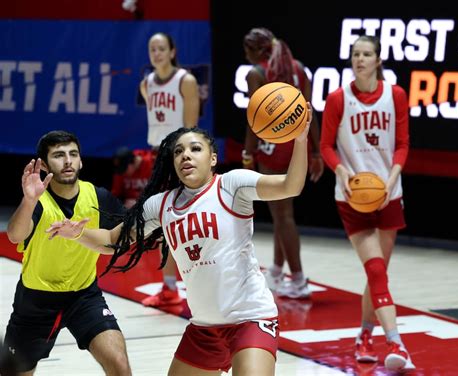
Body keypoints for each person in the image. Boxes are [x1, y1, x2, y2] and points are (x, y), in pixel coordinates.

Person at [45, 117, 311, 375]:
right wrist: (77, 234)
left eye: (196, 149)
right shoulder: (161, 205)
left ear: (213, 159)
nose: (186, 155)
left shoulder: (232, 185)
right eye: (179, 152)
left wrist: (300, 140)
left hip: (251, 318)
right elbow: (114, 241)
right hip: (204, 329)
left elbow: (291, 185)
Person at [320, 35, 414, 372]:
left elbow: (402, 143)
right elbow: (326, 146)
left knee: (379, 275)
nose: (360, 59)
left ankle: (363, 334)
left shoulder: (396, 95)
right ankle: (397, 344)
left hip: (389, 192)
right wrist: (341, 171)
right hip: (351, 196)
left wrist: (392, 178)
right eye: (356, 54)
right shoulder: (338, 98)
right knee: (375, 269)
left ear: (378, 60)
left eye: (367, 54)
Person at [2, 131, 131, 375]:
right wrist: (29, 200)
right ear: (45, 164)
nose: (68, 160)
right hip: (36, 302)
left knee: (119, 364)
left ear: (81, 161)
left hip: (84, 296)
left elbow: (119, 242)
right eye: (59, 155)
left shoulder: (99, 196)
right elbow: (15, 235)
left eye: (73, 154)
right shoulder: (38, 201)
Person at [242, 27, 324, 299]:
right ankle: (277, 271)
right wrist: (315, 152)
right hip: (297, 144)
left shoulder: (256, 73)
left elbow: (254, 121)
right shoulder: (299, 67)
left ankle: (299, 280)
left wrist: (248, 154)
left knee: (282, 216)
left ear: (255, 51)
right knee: (282, 214)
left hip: (273, 147)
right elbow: (310, 111)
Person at [139, 32, 201, 308]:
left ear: (173, 51)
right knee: (166, 226)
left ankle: (192, 286)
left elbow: (191, 130)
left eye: (162, 48)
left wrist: (182, 163)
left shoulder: (185, 81)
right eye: (153, 49)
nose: (157, 53)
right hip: (158, 156)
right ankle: (169, 288)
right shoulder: (147, 83)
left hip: (179, 159)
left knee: (186, 226)